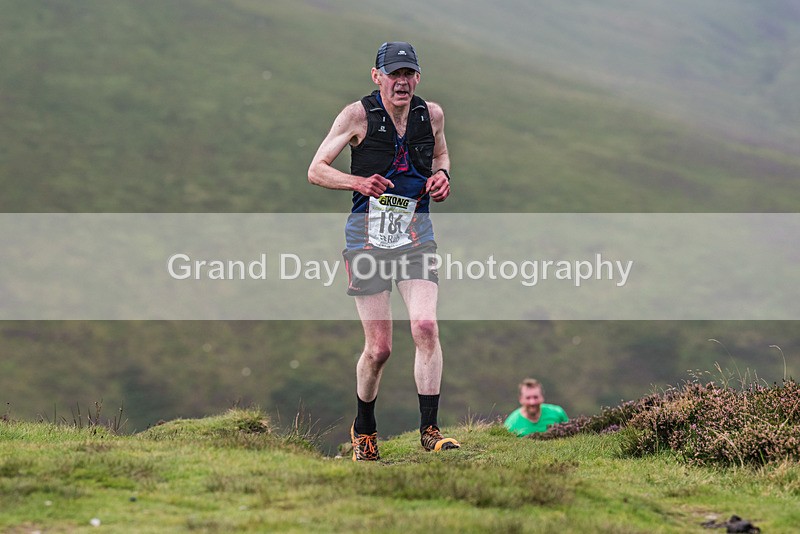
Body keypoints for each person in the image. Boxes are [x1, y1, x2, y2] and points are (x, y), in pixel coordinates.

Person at [308, 41, 458, 461]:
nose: (402, 82)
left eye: (409, 74)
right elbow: (316, 169)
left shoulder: (433, 115)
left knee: (426, 327)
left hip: (415, 238)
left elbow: (441, 152)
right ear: (377, 77)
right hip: (367, 241)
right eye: (394, 74)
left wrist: (443, 175)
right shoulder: (356, 116)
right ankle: (365, 430)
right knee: (379, 350)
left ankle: (430, 430)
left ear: (418, 78)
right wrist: (358, 183)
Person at [504, 378, 568, 437]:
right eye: (528, 398)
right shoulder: (511, 424)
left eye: (535, 397)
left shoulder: (558, 413)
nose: (532, 402)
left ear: (542, 397)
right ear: (520, 399)